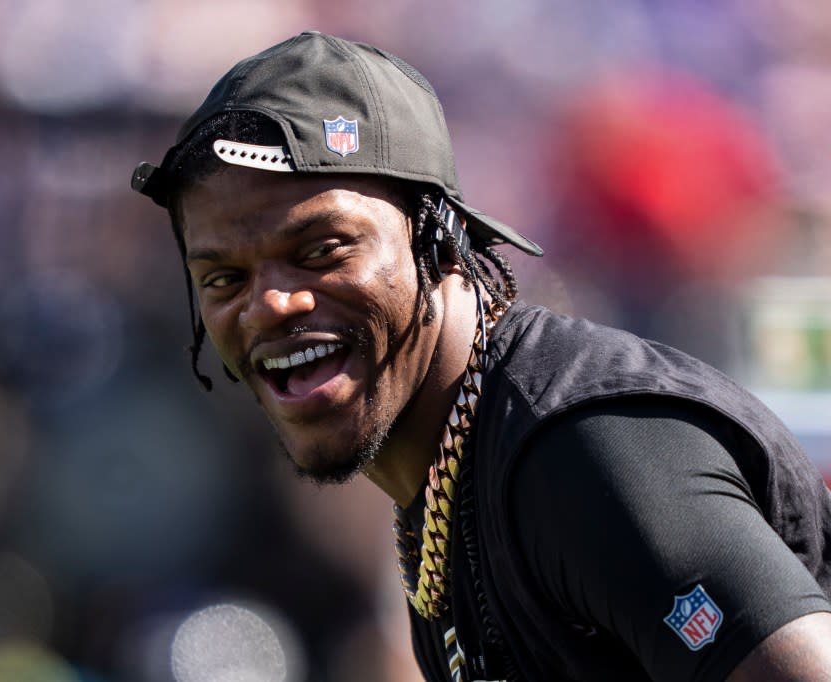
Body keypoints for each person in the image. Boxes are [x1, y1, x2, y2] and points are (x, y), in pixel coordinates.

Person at [129, 32, 831, 681]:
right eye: (223, 279)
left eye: (321, 251)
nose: (270, 304)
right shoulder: (444, 480)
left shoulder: (586, 458)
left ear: (440, 238)